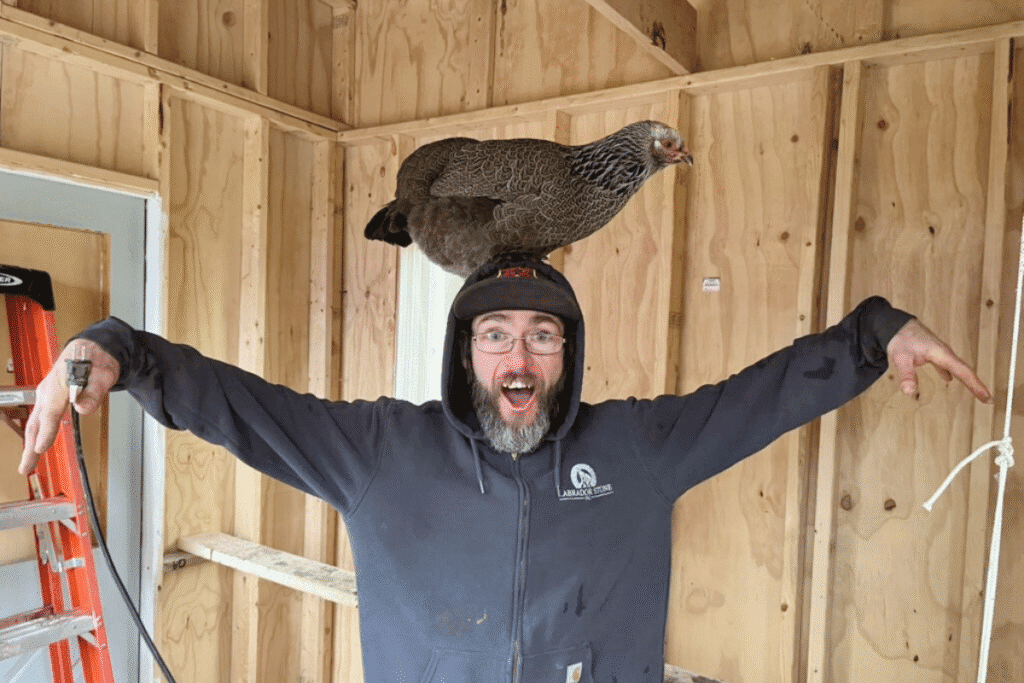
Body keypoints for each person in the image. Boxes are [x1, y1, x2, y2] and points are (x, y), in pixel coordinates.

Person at [17, 255, 991, 683]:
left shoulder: (637, 448)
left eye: (539, 336)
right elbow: (239, 402)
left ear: (566, 353)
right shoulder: (377, 451)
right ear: (464, 351)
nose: (517, 359)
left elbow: (760, 393)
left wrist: (872, 334)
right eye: (494, 334)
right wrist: (120, 350)